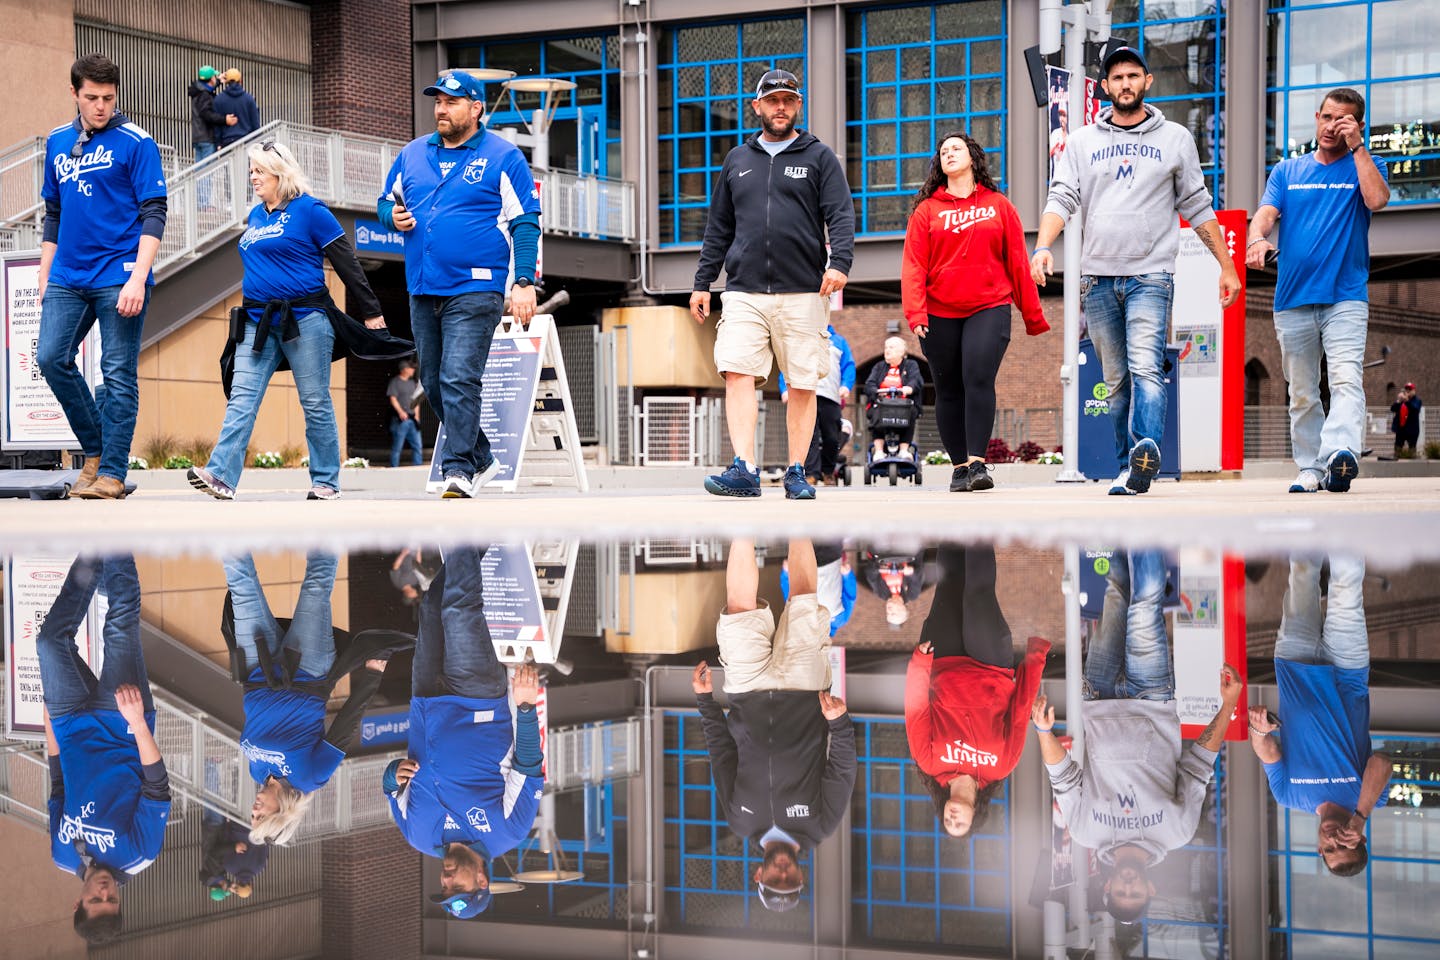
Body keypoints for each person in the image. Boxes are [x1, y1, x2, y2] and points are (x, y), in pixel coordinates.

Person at [1031, 46, 1241, 496]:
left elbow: (1199, 207)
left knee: (1146, 366)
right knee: (1116, 382)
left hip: (1151, 274)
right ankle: (1131, 467)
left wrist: (1226, 265)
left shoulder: (1177, 139)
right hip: (1097, 279)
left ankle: (1144, 448)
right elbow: (1061, 197)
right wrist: (1043, 246)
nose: (1125, 83)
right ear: (1104, 87)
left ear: (1148, 81)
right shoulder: (1082, 142)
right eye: (1116, 77)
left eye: (1133, 75)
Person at [188, 141, 407, 502]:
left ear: (280, 172)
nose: (253, 177)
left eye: (259, 170)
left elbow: (346, 261)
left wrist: (371, 311)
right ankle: (221, 476)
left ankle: (326, 482)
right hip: (257, 323)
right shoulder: (257, 215)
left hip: (306, 319)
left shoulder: (311, 210)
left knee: (315, 401)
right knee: (241, 398)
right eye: (252, 170)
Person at [1032, 550, 1243, 924]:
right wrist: (1227, 706)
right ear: (1150, 890)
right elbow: (1199, 766)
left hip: (1097, 696)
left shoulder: (1084, 832)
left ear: (1108, 886)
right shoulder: (1176, 832)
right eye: (1135, 893)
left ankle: (1120, 515)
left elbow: (1062, 778)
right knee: (1145, 604)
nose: (1128, 886)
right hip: (1152, 698)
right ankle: (1146, 528)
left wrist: (1044, 732)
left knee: (1115, 592)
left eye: (1120, 892)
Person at [690, 69, 856, 501]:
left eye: (788, 100)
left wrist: (839, 263)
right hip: (743, 290)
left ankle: (798, 471)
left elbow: (840, 214)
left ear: (797, 106)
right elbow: (718, 227)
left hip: (804, 290)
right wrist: (702, 282)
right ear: (757, 106)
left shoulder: (819, 156)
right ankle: (744, 468)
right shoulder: (737, 161)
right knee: (737, 372)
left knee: (802, 382)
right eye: (773, 100)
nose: (780, 107)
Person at [378, 69, 542, 499]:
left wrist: (523, 281)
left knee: (457, 376)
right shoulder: (412, 154)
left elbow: (526, 222)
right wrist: (388, 217)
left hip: (477, 286)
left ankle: (458, 469)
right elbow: (385, 200)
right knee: (431, 381)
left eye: (451, 102)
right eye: (437, 102)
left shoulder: (503, 156)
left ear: (476, 108)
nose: (441, 109)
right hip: (423, 285)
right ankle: (483, 458)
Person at [693, 538, 856, 912]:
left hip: (746, 692)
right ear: (801, 877)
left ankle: (743, 515)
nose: (783, 874)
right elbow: (843, 770)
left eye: (774, 882)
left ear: (759, 876)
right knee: (802, 597)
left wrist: (705, 701)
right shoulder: (820, 826)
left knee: (737, 610)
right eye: (790, 881)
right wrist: (839, 724)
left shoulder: (739, 822)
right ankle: (796, 502)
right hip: (804, 689)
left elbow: (721, 756)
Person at [383, 545, 545, 919]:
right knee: (459, 609)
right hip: (478, 700)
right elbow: (528, 765)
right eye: (458, 887)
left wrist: (393, 775)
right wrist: (523, 706)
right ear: (482, 881)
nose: (447, 881)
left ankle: (471, 541)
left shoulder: (418, 837)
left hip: (426, 701)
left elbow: (392, 789)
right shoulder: (509, 832)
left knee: (432, 607)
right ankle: (461, 523)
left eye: (444, 888)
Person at [37, 54, 167, 501]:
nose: (100, 106)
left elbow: (154, 212)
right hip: (68, 275)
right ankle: (95, 450)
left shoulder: (137, 142)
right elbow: (53, 214)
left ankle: (111, 472)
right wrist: (44, 273)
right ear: (74, 93)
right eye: (91, 97)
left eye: (108, 98)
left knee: (117, 372)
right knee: (51, 358)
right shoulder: (56, 142)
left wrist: (138, 277)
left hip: (120, 273)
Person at [1246, 88, 1389, 493]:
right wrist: (1257, 238)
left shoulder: (1367, 166)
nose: (1331, 127)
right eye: (1326, 117)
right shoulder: (1288, 172)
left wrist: (1358, 148)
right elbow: (1265, 216)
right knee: (1303, 392)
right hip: (1292, 299)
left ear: (1357, 125)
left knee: (1346, 378)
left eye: (1342, 121)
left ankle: (1340, 454)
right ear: (1317, 117)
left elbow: (1377, 200)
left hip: (1345, 297)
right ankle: (1309, 468)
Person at [221, 551, 412, 846]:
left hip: (257, 671)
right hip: (307, 672)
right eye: (260, 816)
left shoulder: (255, 770)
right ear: (280, 813)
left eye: (252, 815)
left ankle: (226, 519)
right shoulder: (310, 778)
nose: (254, 809)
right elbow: (344, 728)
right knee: (316, 586)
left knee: (242, 587)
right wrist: (372, 675)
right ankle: (327, 515)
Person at [904, 132, 1049, 493]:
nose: (949, 153)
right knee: (949, 389)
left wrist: (1032, 314)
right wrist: (916, 313)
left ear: (973, 157)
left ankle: (979, 463)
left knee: (978, 378)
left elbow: (1017, 261)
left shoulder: (998, 205)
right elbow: (913, 266)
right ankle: (959, 468)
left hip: (989, 305)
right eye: (943, 151)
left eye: (956, 148)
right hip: (939, 311)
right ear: (939, 164)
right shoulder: (927, 211)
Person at [38, 555, 169, 944]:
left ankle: (93, 552)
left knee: (49, 641)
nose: (106, 891)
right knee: (120, 623)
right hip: (121, 726)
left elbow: (59, 788)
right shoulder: (138, 855)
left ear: (78, 904)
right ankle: (115, 531)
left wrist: (51, 731)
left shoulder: (62, 855)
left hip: (70, 725)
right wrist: (138, 723)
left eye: (98, 899)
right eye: (112, 899)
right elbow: (157, 789)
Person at [1248, 554, 1390, 877]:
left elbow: (1267, 753)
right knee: (1347, 582)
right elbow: (1381, 763)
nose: (1334, 841)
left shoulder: (1289, 795)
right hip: (1348, 670)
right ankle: (1343, 510)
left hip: (1293, 666)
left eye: (1329, 850)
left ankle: (1308, 509)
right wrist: (1361, 814)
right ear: (1360, 839)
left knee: (1301, 574)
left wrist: (1258, 731)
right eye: (1345, 845)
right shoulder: (1369, 800)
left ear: (1318, 848)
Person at [906, 544, 1050, 837]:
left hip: (941, 660)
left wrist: (920, 664)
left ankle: (952, 513)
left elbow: (916, 709)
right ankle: (980, 521)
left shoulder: (929, 761)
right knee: (977, 594)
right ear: (977, 815)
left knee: (949, 582)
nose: (953, 818)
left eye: (948, 822)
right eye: (961, 824)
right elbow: (1021, 712)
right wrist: (1035, 661)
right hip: (991, 666)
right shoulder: (1001, 766)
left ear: (942, 811)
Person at [779, 324, 854, 486]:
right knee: (809, 436)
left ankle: (828, 472)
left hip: (831, 397)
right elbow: (787, 366)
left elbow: (848, 365)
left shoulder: (839, 341)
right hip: (806, 394)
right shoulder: (802, 336)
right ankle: (811, 474)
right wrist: (784, 389)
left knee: (832, 438)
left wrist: (846, 385)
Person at [862, 337, 924, 461]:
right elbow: (869, 384)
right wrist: (876, 392)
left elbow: (916, 380)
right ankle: (879, 451)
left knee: (910, 412)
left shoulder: (911, 365)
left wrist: (909, 388)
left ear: (902, 351)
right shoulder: (879, 366)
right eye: (886, 347)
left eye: (891, 347)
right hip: (882, 403)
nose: (887, 350)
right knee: (876, 412)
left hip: (903, 404)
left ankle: (903, 450)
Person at [860, 549, 927, 627]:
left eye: (888, 613)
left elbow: (870, 575)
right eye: (893, 613)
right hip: (908, 552)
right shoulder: (912, 594)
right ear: (902, 608)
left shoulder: (881, 593)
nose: (888, 610)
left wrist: (879, 569)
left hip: (882, 553)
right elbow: (919, 575)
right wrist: (911, 572)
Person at [188, 65, 236, 163]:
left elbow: (208, 88)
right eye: (214, 77)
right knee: (206, 171)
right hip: (207, 137)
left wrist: (218, 81)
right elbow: (206, 114)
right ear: (211, 79)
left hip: (198, 136)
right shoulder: (205, 95)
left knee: (200, 170)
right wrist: (224, 119)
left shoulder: (198, 91)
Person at [387, 358, 426, 467]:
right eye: (411, 368)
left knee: (417, 446)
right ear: (404, 369)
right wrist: (401, 412)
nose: (413, 370)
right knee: (397, 447)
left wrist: (417, 416)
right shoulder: (395, 382)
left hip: (413, 420)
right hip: (401, 420)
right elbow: (393, 399)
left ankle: (417, 467)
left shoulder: (412, 383)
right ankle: (394, 469)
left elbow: (416, 401)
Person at [213, 68, 260, 148]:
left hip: (227, 143)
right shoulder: (249, 99)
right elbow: (255, 123)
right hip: (247, 142)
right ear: (240, 81)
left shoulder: (218, 99)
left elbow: (217, 125)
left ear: (226, 82)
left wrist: (218, 143)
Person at [1390, 382, 1422, 457]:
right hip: (1401, 429)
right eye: (1406, 389)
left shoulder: (1417, 400)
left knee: (1412, 450)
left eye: (1409, 390)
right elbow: (1393, 409)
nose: (1407, 391)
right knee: (1397, 449)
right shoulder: (1401, 401)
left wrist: (1407, 401)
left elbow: (1415, 409)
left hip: (1412, 430)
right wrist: (1398, 401)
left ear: (1414, 391)